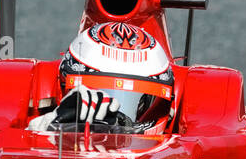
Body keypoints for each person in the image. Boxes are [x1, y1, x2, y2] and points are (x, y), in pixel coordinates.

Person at [28, 22, 175, 133]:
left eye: (130, 99)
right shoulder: (45, 126)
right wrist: (51, 126)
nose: (110, 122)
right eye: (98, 98)